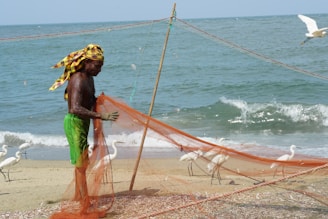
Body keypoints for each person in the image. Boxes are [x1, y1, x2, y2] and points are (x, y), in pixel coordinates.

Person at [49, 44, 119, 211]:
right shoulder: (79, 79)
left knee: (81, 162)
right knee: (81, 164)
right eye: (97, 66)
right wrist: (101, 116)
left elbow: (88, 101)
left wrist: (98, 101)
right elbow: (75, 108)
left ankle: (79, 195)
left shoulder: (89, 78)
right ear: (87, 62)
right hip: (74, 122)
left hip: (82, 122)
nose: (99, 70)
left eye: (101, 66)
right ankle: (84, 202)